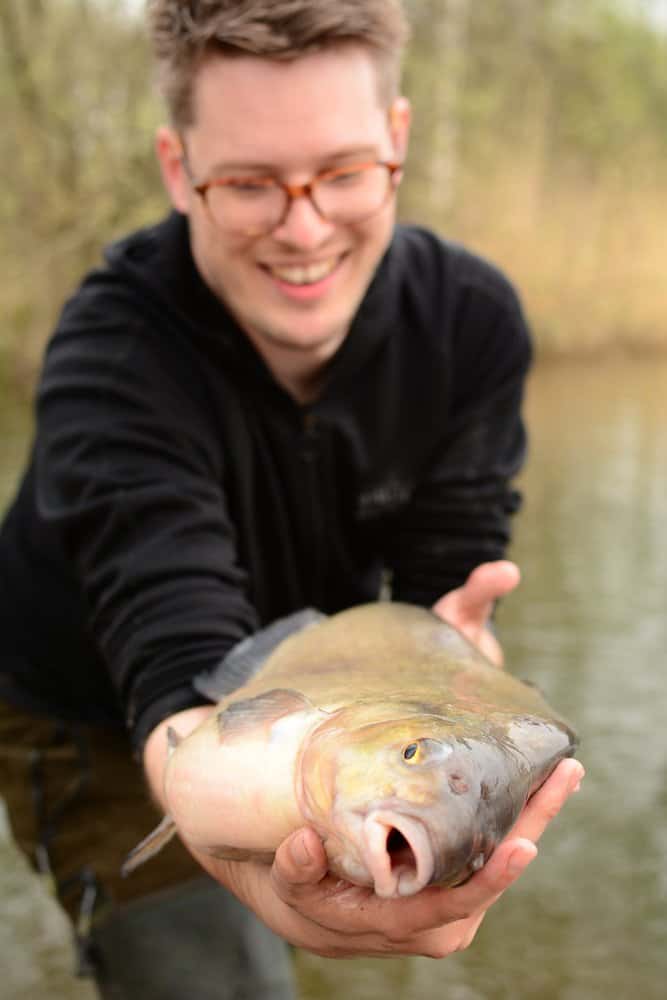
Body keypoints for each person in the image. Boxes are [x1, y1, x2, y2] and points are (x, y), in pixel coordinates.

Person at [0, 0, 584, 996]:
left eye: (345, 172)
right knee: (212, 970)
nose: (304, 227)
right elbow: (179, 673)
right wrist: (221, 815)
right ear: (178, 168)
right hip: (95, 704)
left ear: (396, 140)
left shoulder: (471, 321)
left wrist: (456, 653)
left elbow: (446, 574)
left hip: (333, 676)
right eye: (249, 182)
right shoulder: (112, 356)